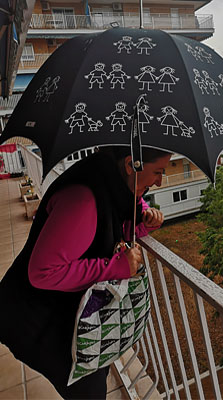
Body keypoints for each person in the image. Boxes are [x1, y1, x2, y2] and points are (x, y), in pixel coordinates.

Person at [0, 146, 171, 398]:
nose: (159, 182)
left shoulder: (111, 183)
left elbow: (105, 229)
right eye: (158, 172)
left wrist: (142, 223)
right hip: (37, 320)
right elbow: (42, 272)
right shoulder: (83, 199)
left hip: (60, 315)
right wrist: (116, 267)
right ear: (130, 164)